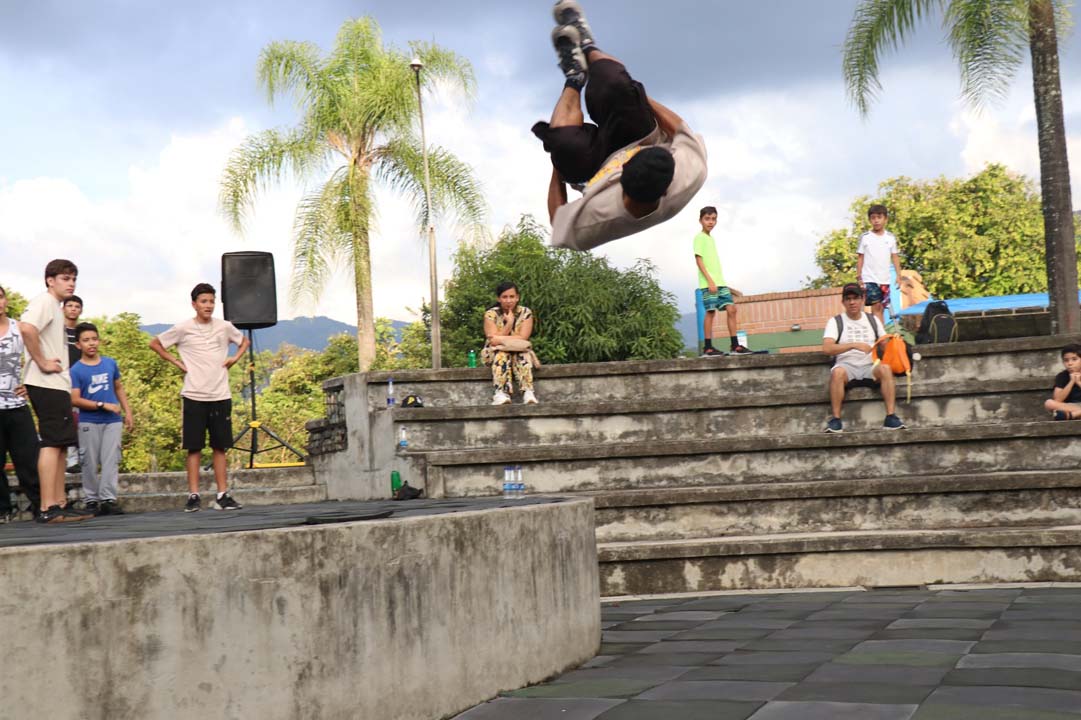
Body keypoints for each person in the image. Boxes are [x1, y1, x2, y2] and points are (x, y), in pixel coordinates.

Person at [533, 0, 708, 252]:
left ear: (621, 178)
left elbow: (557, 219)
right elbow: (679, 128)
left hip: (594, 170)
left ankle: (574, 77)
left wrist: (558, 161)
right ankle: (587, 44)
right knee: (615, 84)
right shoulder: (691, 170)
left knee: (562, 142)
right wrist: (636, 94)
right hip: (642, 137)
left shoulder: (598, 220)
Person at [149, 283, 248, 512]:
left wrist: (234, 358)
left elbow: (244, 341)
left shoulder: (224, 326)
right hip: (194, 394)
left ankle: (222, 495)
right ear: (194, 304)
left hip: (220, 394)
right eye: (204, 301)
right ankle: (193, 495)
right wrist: (176, 362)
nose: (208, 305)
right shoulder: (183, 328)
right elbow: (155, 343)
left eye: (211, 301)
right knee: (194, 447)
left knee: (220, 447)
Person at [19, 259, 91, 523]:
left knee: (61, 443)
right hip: (46, 382)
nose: (71, 283)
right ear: (50, 280)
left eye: (73, 279)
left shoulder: (55, 307)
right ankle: (47, 507)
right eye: (65, 278)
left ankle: (59, 503)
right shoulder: (45, 301)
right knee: (51, 442)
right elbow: (26, 327)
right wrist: (41, 361)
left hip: (56, 384)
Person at [822, 283, 906, 433]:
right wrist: (853, 345)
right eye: (848, 299)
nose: (852, 302)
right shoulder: (835, 321)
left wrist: (891, 343)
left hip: (870, 365)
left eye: (855, 298)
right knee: (837, 373)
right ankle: (836, 419)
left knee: (886, 369)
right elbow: (827, 348)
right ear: (843, 302)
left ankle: (891, 417)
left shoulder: (873, 320)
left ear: (862, 300)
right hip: (846, 365)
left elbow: (884, 345)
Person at [70, 322, 132, 515]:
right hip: (89, 420)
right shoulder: (76, 370)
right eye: (86, 340)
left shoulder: (110, 363)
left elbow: (118, 387)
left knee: (111, 459)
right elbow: (75, 399)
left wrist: (128, 411)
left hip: (112, 420)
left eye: (94, 339)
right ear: (78, 344)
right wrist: (101, 405)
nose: (91, 343)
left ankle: (108, 499)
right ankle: (91, 499)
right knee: (88, 461)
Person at [0, 285, 42, 521]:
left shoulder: (19, 328)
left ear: (5, 301)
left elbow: (38, 357)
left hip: (16, 405)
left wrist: (30, 383)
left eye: (0, 297)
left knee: (29, 459)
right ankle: (2, 510)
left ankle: (40, 506)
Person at [694, 206, 750, 356]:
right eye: (707, 219)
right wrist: (710, 281)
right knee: (711, 312)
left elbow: (714, 267)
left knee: (732, 309)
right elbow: (699, 261)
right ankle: (708, 348)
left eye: (713, 219)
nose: (710, 222)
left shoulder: (711, 239)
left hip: (720, 284)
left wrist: (730, 289)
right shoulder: (699, 238)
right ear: (700, 220)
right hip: (708, 284)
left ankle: (735, 346)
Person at [482, 282, 537, 406]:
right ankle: (501, 392)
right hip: (494, 352)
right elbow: (492, 341)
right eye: (504, 297)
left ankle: (528, 391)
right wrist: (509, 323)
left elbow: (523, 338)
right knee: (502, 354)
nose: (508, 300)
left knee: (522, 354)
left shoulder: (525, 312)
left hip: (519, 350)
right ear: (499, 299)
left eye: (512, 297)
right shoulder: (491, 314)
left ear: (517, 297)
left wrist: (500, 338)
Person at [857, 204, 903, 328]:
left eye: (879, 217)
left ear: (885, 219)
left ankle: (879, 331)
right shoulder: (865, 238)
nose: (876, 220)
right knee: (876, 306)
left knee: (881, 308)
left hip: (885, 279)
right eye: (873, 218)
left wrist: (899, 275)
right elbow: (860, 257)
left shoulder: (890, 238)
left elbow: (895, 257)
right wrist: (859, 276)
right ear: (870, 220)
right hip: (869, 278)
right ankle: (880, 334)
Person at [62, 295, 83, 474]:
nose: (73, 309)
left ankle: (76, 461)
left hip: (78, 383)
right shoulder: (56, 331)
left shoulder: (82, 333)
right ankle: (65, 461)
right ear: (63, 308)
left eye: (77, 306)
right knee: (63, 420)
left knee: (79, 421)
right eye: (70, 305)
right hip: (59, 381)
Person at [1044, 344, 1081, 420]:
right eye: (1066, 360)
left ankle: (1072, 415)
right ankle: (1077, 414)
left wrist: (1078, 382)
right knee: (1049, 403)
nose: (1070, 363)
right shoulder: (1062, 376)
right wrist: (1071, 382)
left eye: (1074, 359)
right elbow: (1057, 400)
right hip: (1070, 407)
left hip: (1071, 411)